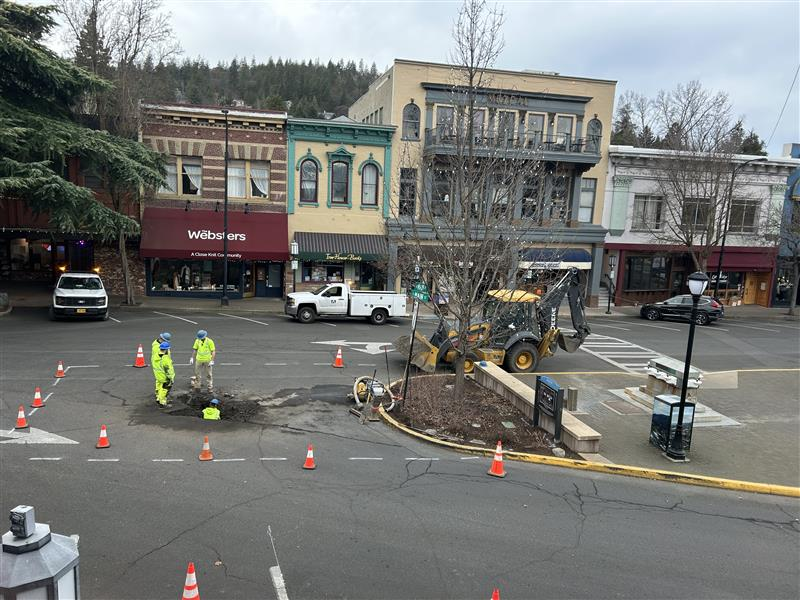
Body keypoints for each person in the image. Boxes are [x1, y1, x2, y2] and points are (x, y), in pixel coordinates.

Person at [152, 341, 175, 407]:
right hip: (164, 377)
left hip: (158, 375)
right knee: (165, 388)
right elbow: (169, 370)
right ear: (166, 349)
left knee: (159, 387)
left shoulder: (155, 356)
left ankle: (158, 398)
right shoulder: (165, 359)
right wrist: (171, 378)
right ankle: (162, 402)